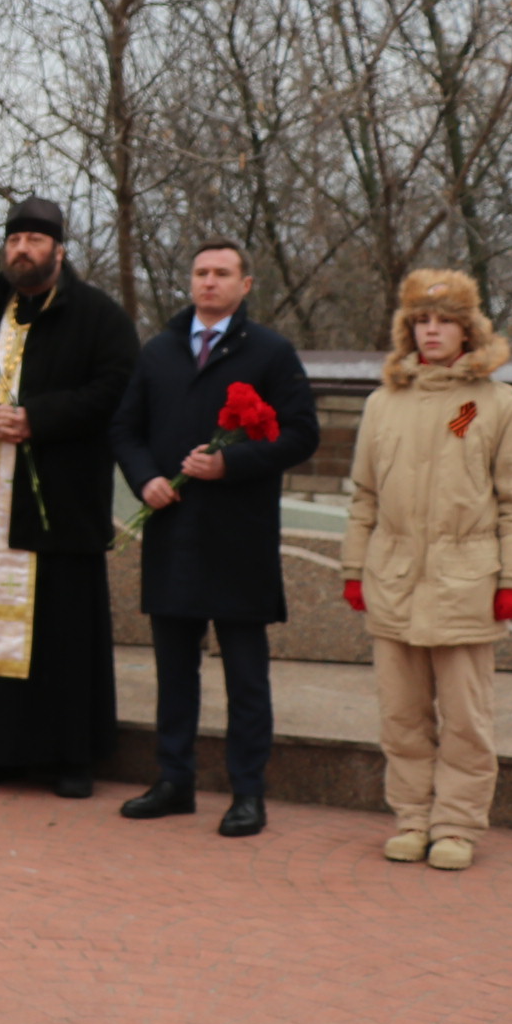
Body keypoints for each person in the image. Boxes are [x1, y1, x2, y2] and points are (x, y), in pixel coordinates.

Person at [0, 197, 141, 797]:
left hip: (61, 502)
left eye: (35, 241)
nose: (23, 250)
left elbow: (117, 387)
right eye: (15, 239)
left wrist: (34, 419)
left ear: (59, 249)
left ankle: (71, 758)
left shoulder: (99, 316)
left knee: (62, 633)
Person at [109, 239, 321, 837]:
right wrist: (146, 477)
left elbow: (302, 436)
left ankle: (247, 792)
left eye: (222, 273)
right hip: (172, 533)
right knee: (174, 671)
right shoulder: (160, 352)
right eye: (200, 272)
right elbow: (124, 429)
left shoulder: (271, 353)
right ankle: (174, 781)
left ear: (245, 284)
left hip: (238, 538)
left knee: (246, 677)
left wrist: (232, 465)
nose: (209, 282)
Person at [338, 268, 512, 873]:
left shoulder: (500, 405)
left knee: (465, 719)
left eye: (444, 321)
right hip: (394, 580)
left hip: (467, 585)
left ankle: (456, 824)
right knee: (400, 716)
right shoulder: (383, 404)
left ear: (467, 330)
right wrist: (355, 568)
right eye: (421, 321)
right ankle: (412, 817)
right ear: (408, 330)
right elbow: (364, 498)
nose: (432, 331)